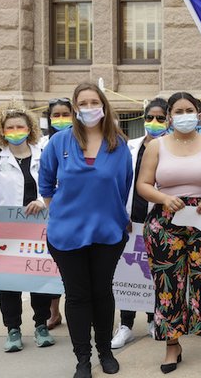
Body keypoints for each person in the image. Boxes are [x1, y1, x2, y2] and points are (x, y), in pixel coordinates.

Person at [39, 82, 134, 378]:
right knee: (77, 295)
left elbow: (124, 185)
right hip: (66, 234)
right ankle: (83, 358)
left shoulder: (118, 144)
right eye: (83, 103)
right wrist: (64, 212)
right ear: (75, 108)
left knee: (102, 292)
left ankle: (105, 351)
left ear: (104, 105)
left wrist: (112, 215)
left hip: (108, 233)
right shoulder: (60, 142)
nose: (89, 108)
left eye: (95, 102)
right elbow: (46, 183)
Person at [135, 92, 201, 373]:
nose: (184, 115)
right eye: (178, 111)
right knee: (168, 285)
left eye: (189, 110)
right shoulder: (157, 146)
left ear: (200, 113)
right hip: (165, 222)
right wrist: (164, 198)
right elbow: (143, 185)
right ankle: (172, 345)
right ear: (169, 116)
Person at [0, 104, 57, 353]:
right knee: (8, 282)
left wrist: (41, 201)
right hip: (7, 231)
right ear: (2, 131)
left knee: (39, 278)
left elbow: (55, 185)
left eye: (20, 126)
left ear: (30, 128)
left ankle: (41, 326)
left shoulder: (44, 155)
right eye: (10, 128)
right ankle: (13, 329)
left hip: (39, 227)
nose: (16, 131)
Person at [111, 98, 169, 349]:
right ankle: (125, 325)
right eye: (149, 117)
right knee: (128, 272)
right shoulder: (129, 146)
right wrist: (120, 215)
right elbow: (119, 180)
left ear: (168, 120)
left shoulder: (171, 146)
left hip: (159, 219)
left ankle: (153, 319)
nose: (154, 122)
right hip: (130, 219)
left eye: (160, 118)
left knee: (153, 271)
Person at [41, 96, 75, 330]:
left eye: (66, 114)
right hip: (49, 213)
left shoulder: (78, 142)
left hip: (72, 214)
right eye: (56, 115)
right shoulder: (44, 145)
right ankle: (53, 312)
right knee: (48, 269)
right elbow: (43, 182)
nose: (61, 119)